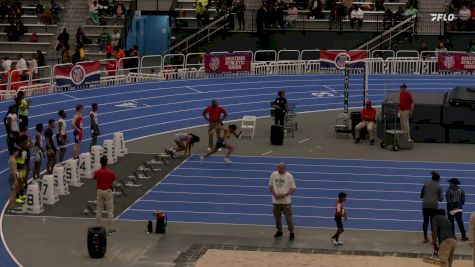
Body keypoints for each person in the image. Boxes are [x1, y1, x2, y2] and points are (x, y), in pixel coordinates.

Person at [268, 162, 296, 241]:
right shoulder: (273, 174)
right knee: (277, 218)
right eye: (277, 168)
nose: (278, 169)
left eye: (280, 168)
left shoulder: (289, 176)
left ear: (284, 168)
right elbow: (270, 186)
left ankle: (291, 232)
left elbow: (293, 188)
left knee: (289, 219)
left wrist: (285, 194)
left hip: (286, 202)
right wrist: (274, 194)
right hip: (276, 201)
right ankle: (279, 231)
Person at [94, 156, 117, 235]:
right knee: (110, 211)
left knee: (99, 210)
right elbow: (114, 182)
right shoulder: (111, 172)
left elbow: (96, 179)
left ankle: (98, 227)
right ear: (106, 163)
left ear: (100, 162)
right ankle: (110, 229)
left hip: (100, 191)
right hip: (108, 191)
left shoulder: (97, 172)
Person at [421, 171, 443, 243]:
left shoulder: (426, 184)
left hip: (425, 205)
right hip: (433, 206)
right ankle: (434, 239)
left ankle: (425, 238)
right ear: (438, 179)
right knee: (433, 222)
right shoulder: (439, 186)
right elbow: (441, 199)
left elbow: (421, 195)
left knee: (425, 221)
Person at [7, 147, 20, 214]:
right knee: (13, 193)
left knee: (14, 193)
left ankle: (13, 206)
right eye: (17, 151)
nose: (18, 153)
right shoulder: (13, 160)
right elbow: (13, 172)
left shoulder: (11, 159)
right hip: (13, 177)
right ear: (14, 152)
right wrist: (15, 180)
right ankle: (10, 208)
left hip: (12, 177)